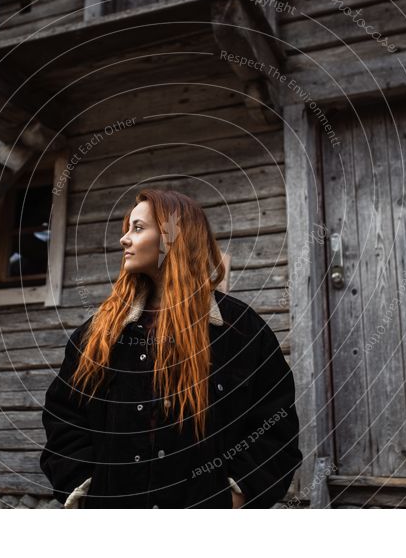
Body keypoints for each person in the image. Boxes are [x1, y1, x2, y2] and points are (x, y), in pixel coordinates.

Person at [40, 189, 302, 508]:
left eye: (138, 228)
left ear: (172, 237)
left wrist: (236, 495)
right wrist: (82, 490)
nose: (124, 239)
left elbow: (275, 425)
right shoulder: (98, 333)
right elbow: (63, 417)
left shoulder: (241, 331)